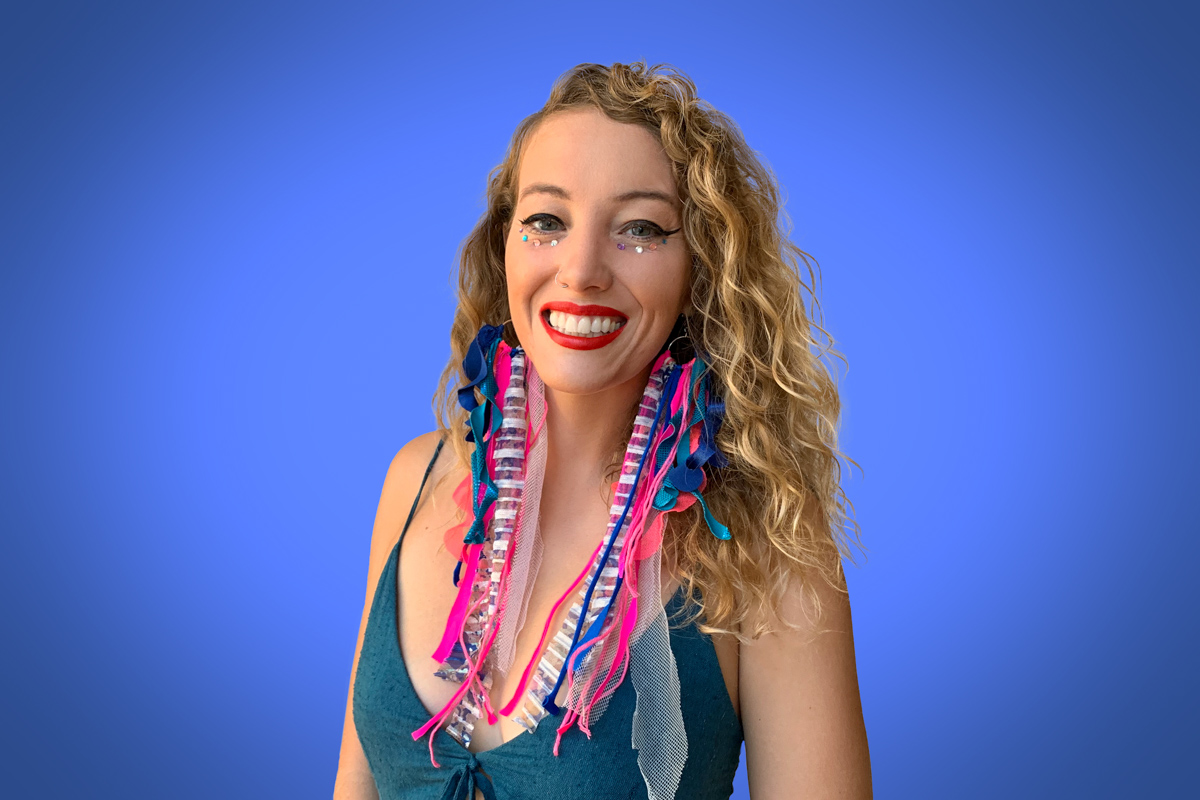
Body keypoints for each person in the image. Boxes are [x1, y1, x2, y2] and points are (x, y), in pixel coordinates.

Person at [333, 61, 871, 800]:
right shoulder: (415, 479)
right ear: (505, 244)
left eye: (640, 229)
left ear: (700, 272)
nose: (581, 269)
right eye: (547, 221)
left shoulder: (769, 550)